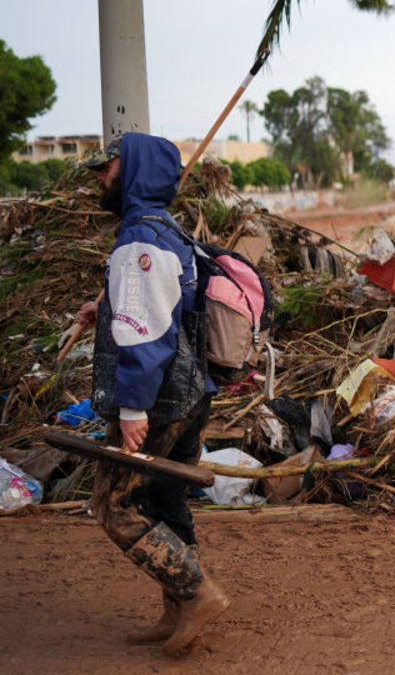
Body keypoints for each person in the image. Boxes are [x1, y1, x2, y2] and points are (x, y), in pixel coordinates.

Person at [76, 133, 230, 655]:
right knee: (165, 499)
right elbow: (164, 307)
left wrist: (133, 407)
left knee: (113, 505)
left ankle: (197, 592)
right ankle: (176, 612)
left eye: (108, 167)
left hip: (158, 398)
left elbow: (145, 333)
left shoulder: (140, 237)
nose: (101, 177)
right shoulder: (168, 231)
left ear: (134, 171)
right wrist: (106, 307)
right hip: (191, 392)